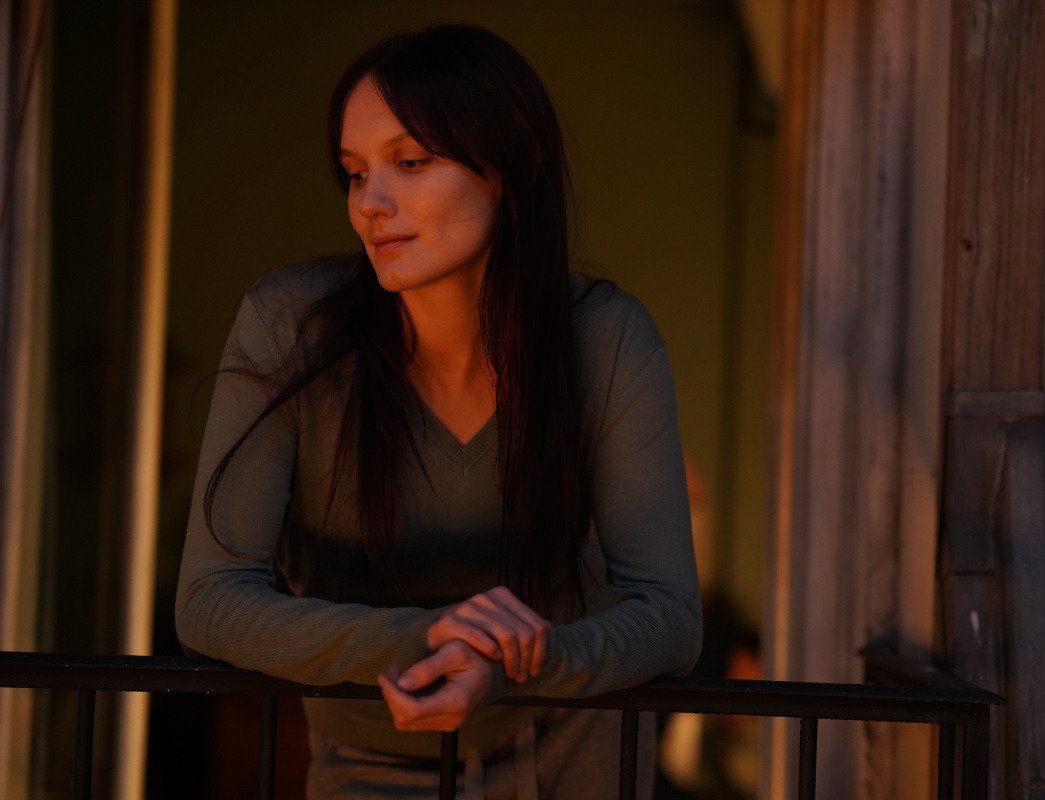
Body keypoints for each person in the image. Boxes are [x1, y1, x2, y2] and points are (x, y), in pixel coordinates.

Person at [175, 23, 701, 800]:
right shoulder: (290, 325)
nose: (370, 203)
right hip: (369, 756)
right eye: (354, 173)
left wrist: (520, 660)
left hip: (571, 739)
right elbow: (210, 602)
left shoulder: (605, 338)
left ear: (507, 168)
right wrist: (426, 635)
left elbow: (669, 614)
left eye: (411, 162)